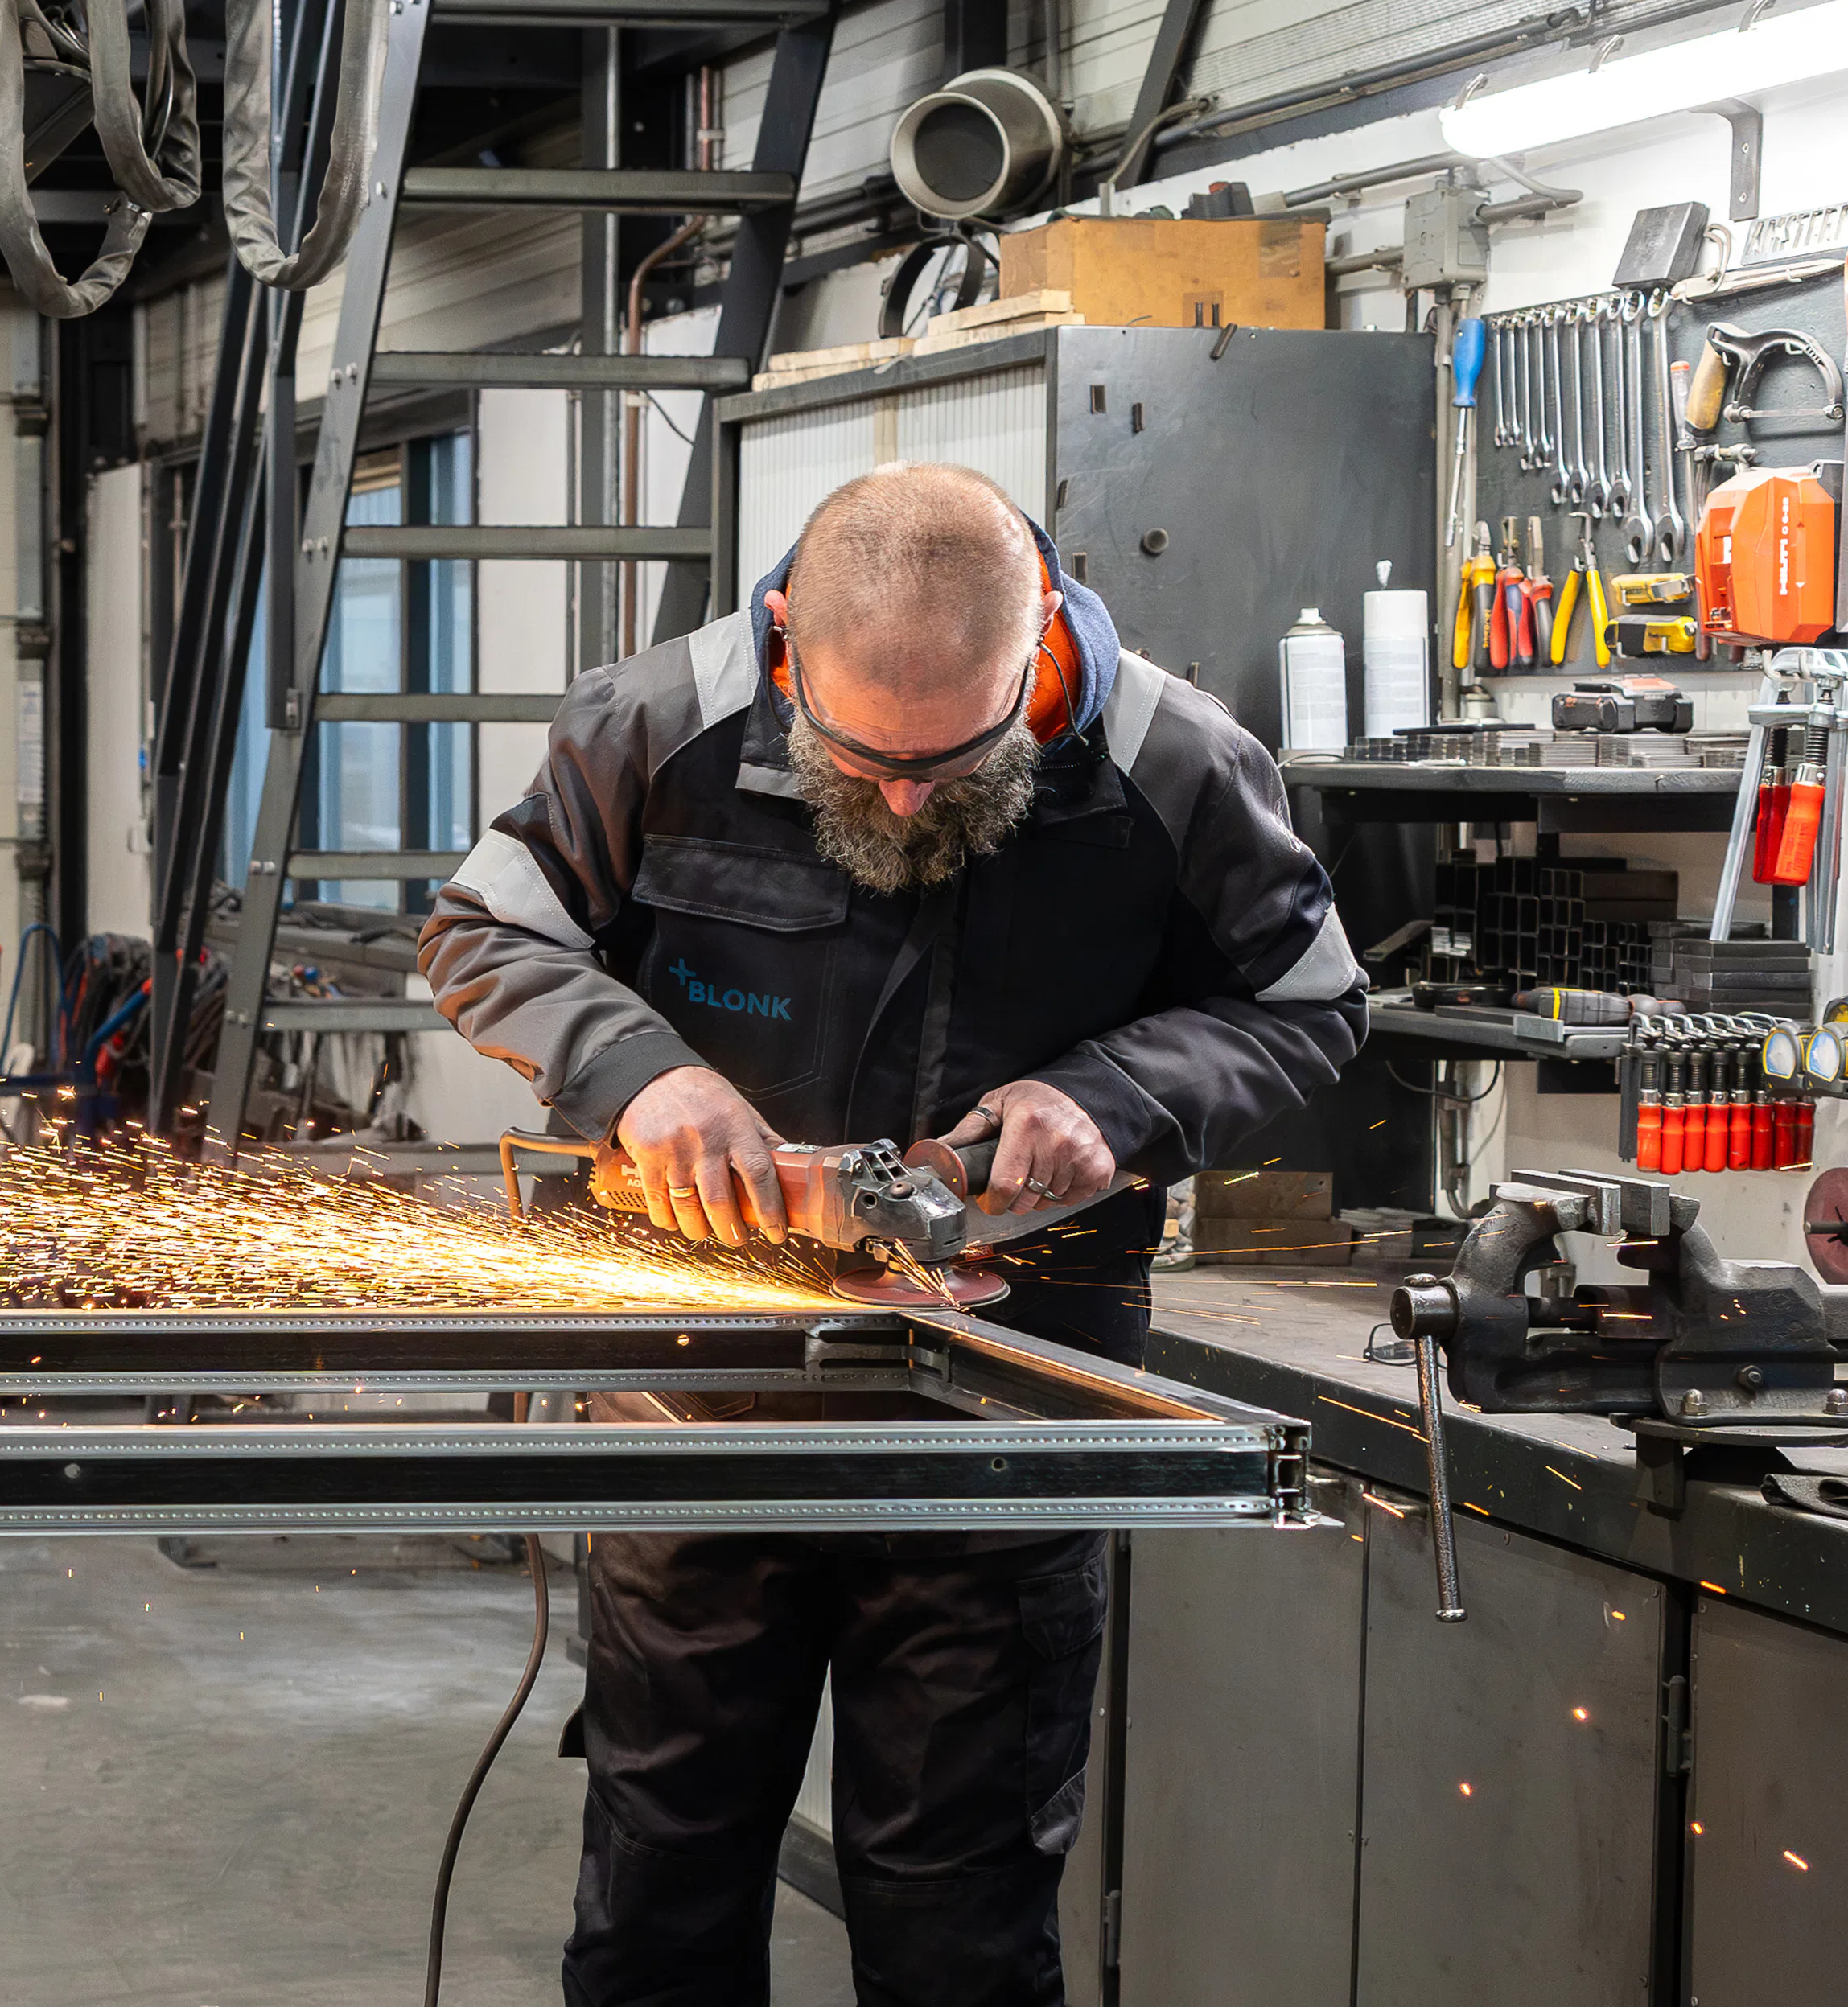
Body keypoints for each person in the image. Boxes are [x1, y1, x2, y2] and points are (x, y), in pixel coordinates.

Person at [417, 463, 1365, 2006]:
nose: (911, 795)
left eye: (960, 755)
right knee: (662, 1884)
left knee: (960, 1918)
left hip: (1009, 1411)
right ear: (787, 637)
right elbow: (480, 929)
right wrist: (641, 1075)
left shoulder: (1180, 766)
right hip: (696, 1399)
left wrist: (1113, 1093)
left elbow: (1313, 1002)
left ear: (1039, 633)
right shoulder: (656, 727)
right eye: (863, 758)